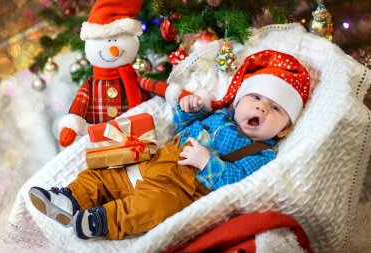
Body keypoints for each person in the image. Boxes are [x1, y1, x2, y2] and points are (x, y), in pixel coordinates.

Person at [28, 50, 310, 240]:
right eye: (256, 99)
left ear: (284, 128)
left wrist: (206, 163)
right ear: (239, 102)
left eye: (275, 109)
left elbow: (235, 182)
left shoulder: (261, 153)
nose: (261, 109)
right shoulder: (219, 116)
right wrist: (188, 110)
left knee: (155, 207)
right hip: (148, 163)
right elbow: (183, 129)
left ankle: (102, 220)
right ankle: (70, 198)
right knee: (105, 173)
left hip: (178, 189)